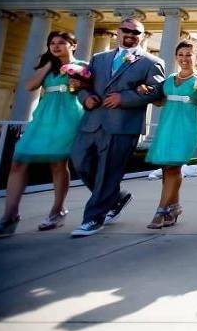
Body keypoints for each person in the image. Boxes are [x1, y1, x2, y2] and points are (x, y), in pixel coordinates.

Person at [70, 17, 165, 237]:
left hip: (123, 126)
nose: (130, 34)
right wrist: (86, 98)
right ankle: (117, 197)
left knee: (108, 173)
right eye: (126, 30)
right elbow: (84, 86)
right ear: (118, 32)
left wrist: (124, 98)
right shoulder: (98, 58)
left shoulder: (151, 62)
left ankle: (93, 218)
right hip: (92, 122)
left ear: (142, 36)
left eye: (136, 32)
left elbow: (157, 91)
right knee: (80, 162)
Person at [0, 31, 84, 237]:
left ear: (73, 45)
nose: (56, 46)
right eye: (52, 43)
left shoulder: (82, 65)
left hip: (68, 117)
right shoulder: (48, 67)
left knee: (58, 163)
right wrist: (46, 66)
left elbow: (85, 89)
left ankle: (57, 210)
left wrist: (76, 78)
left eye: (61, 43)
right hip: (43, 118)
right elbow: (30, 86)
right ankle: (9, 215)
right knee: (18, 161)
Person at [143, 40, 197, 229]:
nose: (185, 58)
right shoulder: (168, 80)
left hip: (185, 128)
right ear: (176, 57)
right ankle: (174, 208)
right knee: (167, 168)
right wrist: (144, 91)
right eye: (181, 55)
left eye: (189, 54)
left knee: (173, 167)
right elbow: (160, 101)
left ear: (196, 56)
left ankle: (161, 210)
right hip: (166, 127)